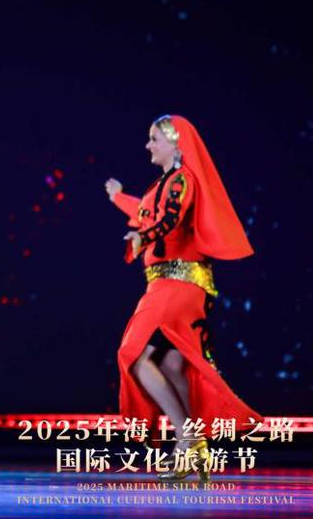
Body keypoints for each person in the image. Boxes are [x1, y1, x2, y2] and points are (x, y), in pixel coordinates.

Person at [105, 114, 261, 482]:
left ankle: (187, 438)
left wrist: (143, 237)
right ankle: (196, 448)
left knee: (133, 355)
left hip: (176, 285)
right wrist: (118, 198)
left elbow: (168, 219)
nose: (148, 145)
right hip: (174, 285)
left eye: (154, 139)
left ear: (176, 144)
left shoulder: (181, 181)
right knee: (173, 366)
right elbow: (146, 213)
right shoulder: (163, 184)